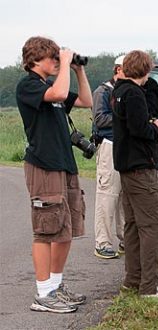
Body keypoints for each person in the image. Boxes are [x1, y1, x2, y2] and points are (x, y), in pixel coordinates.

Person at [16, 36, 93, 313]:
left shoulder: (51, 84)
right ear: (35, 59)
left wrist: (78, 70)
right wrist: (65, 65)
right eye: (52, 58)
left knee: (64, 229)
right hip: (43, 165)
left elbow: (85, 100)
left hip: (64, 164)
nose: (56, 62)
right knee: (46, 228)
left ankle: (56, 286)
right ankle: (43, 293)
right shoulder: (28, 86)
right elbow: (59, 95)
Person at [112, 50, 158, 300]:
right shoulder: (133, 94)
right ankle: (150, 287)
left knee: (132, 225)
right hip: (141, 166)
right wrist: (157, 127)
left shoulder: (118, 91)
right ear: (146, 69)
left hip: (126, 166)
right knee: (152, 225)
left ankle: (133, 280)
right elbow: (140, 128)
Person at [92, 55, 126, 259]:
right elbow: (99, 119)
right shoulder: (103, 91)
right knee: (108, 195)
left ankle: (124, 238)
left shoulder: (126, 91)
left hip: (123, 146)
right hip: (109, 145)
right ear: (118, 70)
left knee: (124, 196)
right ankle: (102, 241)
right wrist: (124, 116)